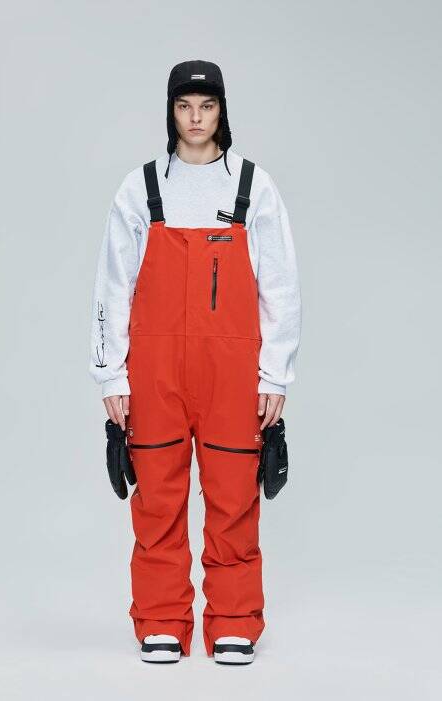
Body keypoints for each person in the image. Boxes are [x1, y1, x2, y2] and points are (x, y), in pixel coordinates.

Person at [89, 59, 302, 664]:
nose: (196, 118)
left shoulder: (253, 186)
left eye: (206, 107)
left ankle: (234, 620)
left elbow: (280, 287)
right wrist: (111, 373)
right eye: (185, 107)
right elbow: (112, 285)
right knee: (156, 497)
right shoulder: (141, 188)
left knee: (234, 496)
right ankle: (160, 620)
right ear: (171, 112)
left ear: (221, 112)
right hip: (153, 371)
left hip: (233, 373)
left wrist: (275, 374)